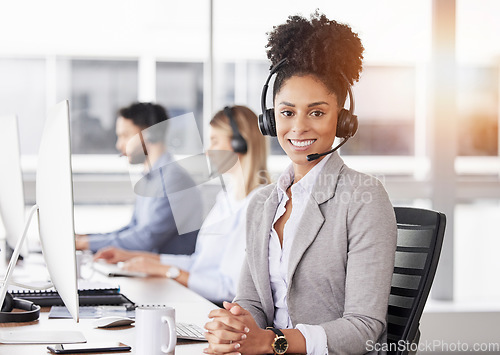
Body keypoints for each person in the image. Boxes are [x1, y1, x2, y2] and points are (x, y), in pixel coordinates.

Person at [204, 12, 397, 355]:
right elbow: (251, 300)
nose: (299, 127)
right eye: (287, 112)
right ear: (269, 118)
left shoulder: (364, 198)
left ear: (343, 119)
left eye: (317, 112)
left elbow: (365, 327)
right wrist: (235, 327)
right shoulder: (263, 202)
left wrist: (272, 341)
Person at [93, 105, 270, 305]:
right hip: (202, 299)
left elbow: (229, 288)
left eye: (214, 141)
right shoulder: (227, 198)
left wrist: (166, 271)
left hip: (220, 308)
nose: (207, 151)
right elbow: (198, 263)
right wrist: (135, 257)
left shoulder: (257, 205)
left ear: (240, 143)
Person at [76, 102, 200, 255]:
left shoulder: (174, 180)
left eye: (125, 136)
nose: (119, 145)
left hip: (167, 274)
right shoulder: (151, 178)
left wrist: (86, 243)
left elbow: (146, 239)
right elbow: (133, 229)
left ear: (150, 134)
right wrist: (86, 238)